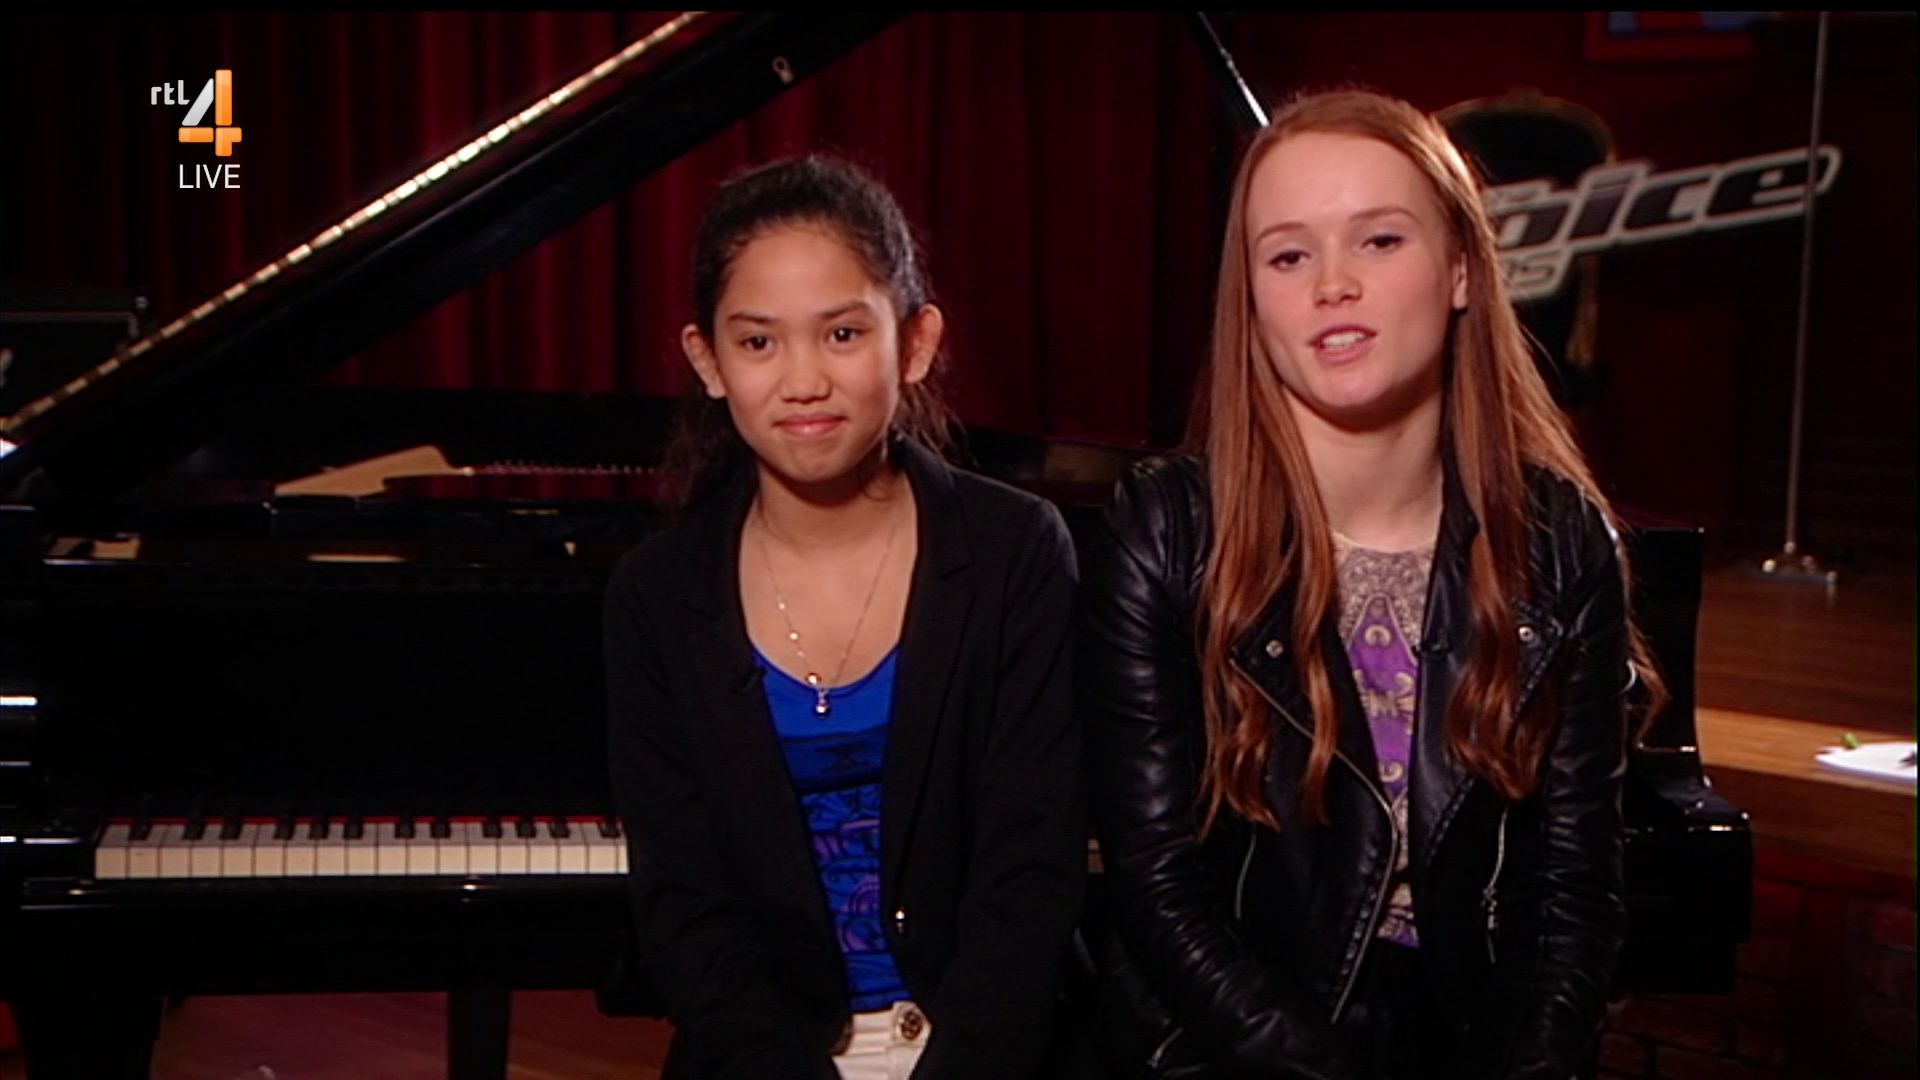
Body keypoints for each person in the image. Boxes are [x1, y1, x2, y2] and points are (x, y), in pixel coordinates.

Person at [1079, 89, 1660, 1079]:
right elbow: (1159, 890)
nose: (1333, 285)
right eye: (1288, 256)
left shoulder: (1563, 540)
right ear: (1250, 298)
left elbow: (1569, 899)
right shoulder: (1166, 530)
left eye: (1380, 241)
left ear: (1463, 269)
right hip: (1236, 1050)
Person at [604, 155, 1084, 1080]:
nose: (803, 381)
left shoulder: (1015, 549)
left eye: (842, 334)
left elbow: (1031, 873)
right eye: (758, 342)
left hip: (986, 1053)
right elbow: (686, 909)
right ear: (708, 361)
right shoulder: (656, 593)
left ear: (915, 342)